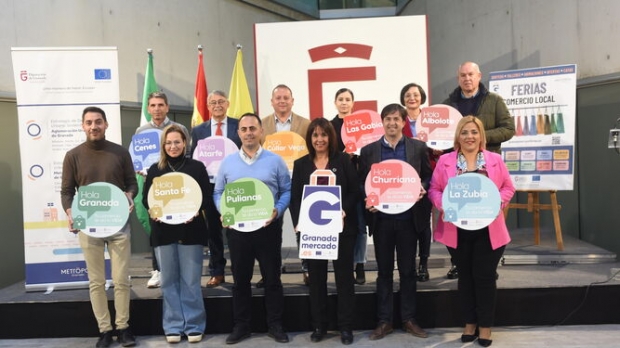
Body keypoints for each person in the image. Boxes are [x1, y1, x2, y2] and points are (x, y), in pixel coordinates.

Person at [428, 116, 515, 347]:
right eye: (465, 132)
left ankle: (485, 326)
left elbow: (508, 187)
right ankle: (469, 323)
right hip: (457, 230)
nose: (469, 137)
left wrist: (497, 202)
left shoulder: (494, 160)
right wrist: (442, 204)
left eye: (474, 132)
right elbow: (434, 189)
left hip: (489, 229)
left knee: (485, 277)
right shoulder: (446, 161)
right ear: (458, 136)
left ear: (481, 136)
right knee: (465, 278)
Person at [60, 106, 138, 348]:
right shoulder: (73, 155)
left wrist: (129, 195)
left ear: (106, 124)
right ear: (83, 126)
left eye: (98, 122)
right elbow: (66, 192)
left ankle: (123, 328)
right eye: (89, 122)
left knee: (121, 279)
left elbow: (132, 183)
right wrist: (71, 212)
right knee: (96, 282)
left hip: (117, 225)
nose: (94, 126)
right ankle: (105, 330)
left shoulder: (120, 152)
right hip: (89, 226)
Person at [214, 113, 291, 345]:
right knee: (240, 281)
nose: (248, 133)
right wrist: (223, 211)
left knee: (272, 279)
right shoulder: (227, 163)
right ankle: (242, 326)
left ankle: (275, 325)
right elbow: (218, 193)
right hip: (238, 231)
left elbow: (287, 190)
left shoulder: (275, 161)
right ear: (238, 133)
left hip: (267, 229)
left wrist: (277, 209)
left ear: (261, 132)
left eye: (253, 128)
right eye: (244, 129)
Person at [358, 103, 432, 341]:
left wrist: (424, 188)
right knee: (384, 272)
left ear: (403, 122)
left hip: (409, 220)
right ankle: (385, 320)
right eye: (387, 119)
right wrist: (367, 198)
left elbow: (429, 176)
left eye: (396, 119)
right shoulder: (369, 151)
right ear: (382, 122)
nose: (391, 123)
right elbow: (362, 182)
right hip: (382, 222)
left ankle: (409, 319)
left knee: (408, 271)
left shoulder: (418, 148)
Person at [442, 61, 515, 279]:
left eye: (471, 74)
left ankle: (487, 265)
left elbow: (509, 129)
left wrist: (480, 138)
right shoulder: (448, 104)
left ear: (479, 76)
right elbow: (443, 136)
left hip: (487, 168)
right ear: (458, 78)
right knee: (461, 219)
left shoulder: (493, 100)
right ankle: (460, 263)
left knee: (486, 220)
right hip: (459, 168)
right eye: (463, 75)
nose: (467, 78)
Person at [289, 118, 358, 345]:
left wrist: (344, 210)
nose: (320, 139)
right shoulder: (301, 165)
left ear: (331, 137)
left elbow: (354, 192)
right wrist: (299, 224)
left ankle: (346, 327)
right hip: (313, 232)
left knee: (344, 279)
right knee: (316, 279)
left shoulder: (344, 161)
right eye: (315, 135)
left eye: (324, 135)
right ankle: (319, 325)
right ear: (310, 138)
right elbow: (296, 200)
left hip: (341, 230)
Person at [142, 124, 210, 344]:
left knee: (191, 281)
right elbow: (146, 199)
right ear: (163, 145)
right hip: (164, 233)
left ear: (185, 143)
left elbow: (206, 198)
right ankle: (172, 325)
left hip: (192, 231)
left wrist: (196, 210)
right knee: (169, 281)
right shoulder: (155, 170)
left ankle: (194, 325)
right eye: (169, 142)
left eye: (177, 142)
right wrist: (154, 211)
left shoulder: (197, 167)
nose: (173, 146)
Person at [135, 91, 191, 289]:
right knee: (157, 227)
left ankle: (183, 270)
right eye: (153, 105)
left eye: (160, 105)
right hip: (156, 185)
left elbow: (187, 155)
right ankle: (158, 270)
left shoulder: (179, 128)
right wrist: (141, 170)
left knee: (181, 226)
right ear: (148, 108)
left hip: (179, 185)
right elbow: (136, 158)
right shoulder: (140, 131)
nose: (157, 109)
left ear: (167, 107)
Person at [190, 90, 241, 288]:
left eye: (221, 101)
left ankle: (239, 270)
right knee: (213, 230)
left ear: (228, 104)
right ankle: (217, 272)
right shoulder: (198, 131)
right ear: (208, 106)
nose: (217, 105)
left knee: (235, 229)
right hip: (209, 186)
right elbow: (195, 157)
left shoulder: (239, 126)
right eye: (213, 102)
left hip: (234, 184)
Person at [260, 84, 311, 286]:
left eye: (286, 98)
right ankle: (270, 272)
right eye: (278, 98)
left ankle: (308, 270)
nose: (282, 101)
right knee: (270, 231)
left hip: (298, 183)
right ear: (272, 102)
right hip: (272, 186)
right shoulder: (261, 125)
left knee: (303, 227)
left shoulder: (306, 124)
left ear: (292, 100)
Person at [330, 88, 367, 285]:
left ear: (353, 103)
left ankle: (359, 264)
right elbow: (327, 153)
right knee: (342, 227)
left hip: (361, 180)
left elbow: (369, 148)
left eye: (348, 99)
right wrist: (345, 156)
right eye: (341, 99)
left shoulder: (362, 123)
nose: (344, 103)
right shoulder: (330, 125)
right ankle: (345, 267)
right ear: (335, 102)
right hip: (340, 183)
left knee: (361, 226)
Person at [400, 83, 435, 282]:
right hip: (402, 177)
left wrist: (440, 148)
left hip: (426, 174)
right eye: (407, 95)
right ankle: (408, 262)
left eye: (415, 94)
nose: (412, 98)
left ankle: (423, 263)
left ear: (421, 97)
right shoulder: (398, 119)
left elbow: (447, 142)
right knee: (406, 223)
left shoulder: (433, 119)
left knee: (423, 221)